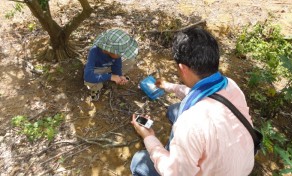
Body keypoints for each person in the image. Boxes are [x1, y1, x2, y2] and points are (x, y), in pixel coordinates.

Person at [130, 27, 254, 175]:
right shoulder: (229, 85)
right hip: (240, 167)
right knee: (173, 110)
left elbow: (173, 173)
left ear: (182, 68)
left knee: (139, 161)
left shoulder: (190, 123)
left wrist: (148, 136)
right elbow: (199, 93)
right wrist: (168, 86)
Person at [84, 28, 138, 101]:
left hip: (109, 67)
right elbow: (87, 76)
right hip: (97, 70)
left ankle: (114, 78)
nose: (121, 55)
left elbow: (117, 64)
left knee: (131, 60)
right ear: (110, 51)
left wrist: (119, 75)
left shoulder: (115, 53)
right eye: (120, 54)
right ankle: (96, 88)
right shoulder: (94, 51)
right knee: (89, 81)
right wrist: (110, 76)